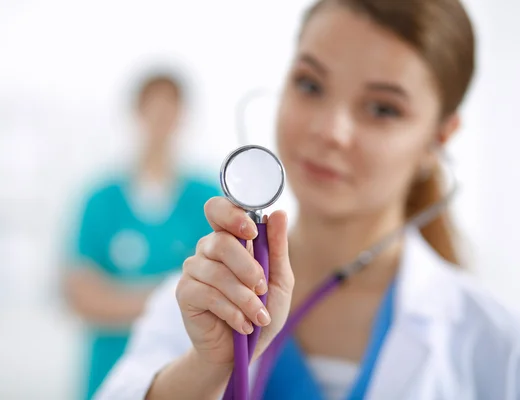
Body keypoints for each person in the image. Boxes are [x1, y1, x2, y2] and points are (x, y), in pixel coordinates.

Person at [95, 1, 520, 399]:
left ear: (438, 138)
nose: (331, 130)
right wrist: (207, 367)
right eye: (310, 84)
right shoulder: (199, 302)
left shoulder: (491, 340)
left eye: (383, 109)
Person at [64, 68, 220, 399]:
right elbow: (82, 296)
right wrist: (177, 295)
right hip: (107, 373)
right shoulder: (100, 199)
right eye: (154, 108)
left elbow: (220, 292)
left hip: (186, 377)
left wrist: (118, 297)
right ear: (137, 113)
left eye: (170, 109)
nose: (162, 120)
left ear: (182, 116)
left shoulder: (207, 199)